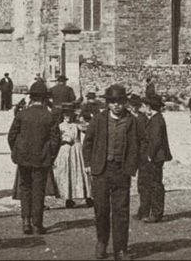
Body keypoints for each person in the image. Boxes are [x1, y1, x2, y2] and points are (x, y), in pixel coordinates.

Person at [83, 84, 142, 261]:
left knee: (121, 211)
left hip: (121, 171)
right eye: (112, 102)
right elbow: (88, 143)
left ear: (125, 102)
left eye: (120, 101)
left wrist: (133, 164)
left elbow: (142, 143)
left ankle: (121, 250)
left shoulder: (132, 121)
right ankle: (102, 243)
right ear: (107, 103)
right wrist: (88, 163)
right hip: (101, 170)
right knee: (101, 209)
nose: (116, 105)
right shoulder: (99, 120)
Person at [8, 79, 60, 235]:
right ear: (45, 98)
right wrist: (51, 155)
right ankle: (37, 224)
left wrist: (17, 151)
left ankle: (26, 222)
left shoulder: (22, 114)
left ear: (31, 98)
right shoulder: (50, 116)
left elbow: (11, 136)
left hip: (23, 159)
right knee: (38, 190)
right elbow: (55, 140)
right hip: (42, 159)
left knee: (25, 189)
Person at [142, 94, 172, 223]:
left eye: (145, 106)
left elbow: (155, 140)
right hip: (157, 156)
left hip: (155, 157)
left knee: (155, 184)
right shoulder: (158, 118)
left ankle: (156, 213)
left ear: (149, 107)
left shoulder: (156, 120)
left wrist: (150, 154)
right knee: (155, 183)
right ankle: (156, 212)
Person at [53, 103, 90, 208]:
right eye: (65, 115)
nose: (67, 117)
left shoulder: (76, 125)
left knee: (80, 172)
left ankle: (87, 196)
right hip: (65, 151)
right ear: (63, 115)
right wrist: (62, 141)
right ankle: (68, 198)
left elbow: (87, 129)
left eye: (69, 115)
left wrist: (82, 121)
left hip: (76, 150)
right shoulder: (60, 126)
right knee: (66, 173)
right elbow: (55, 139)